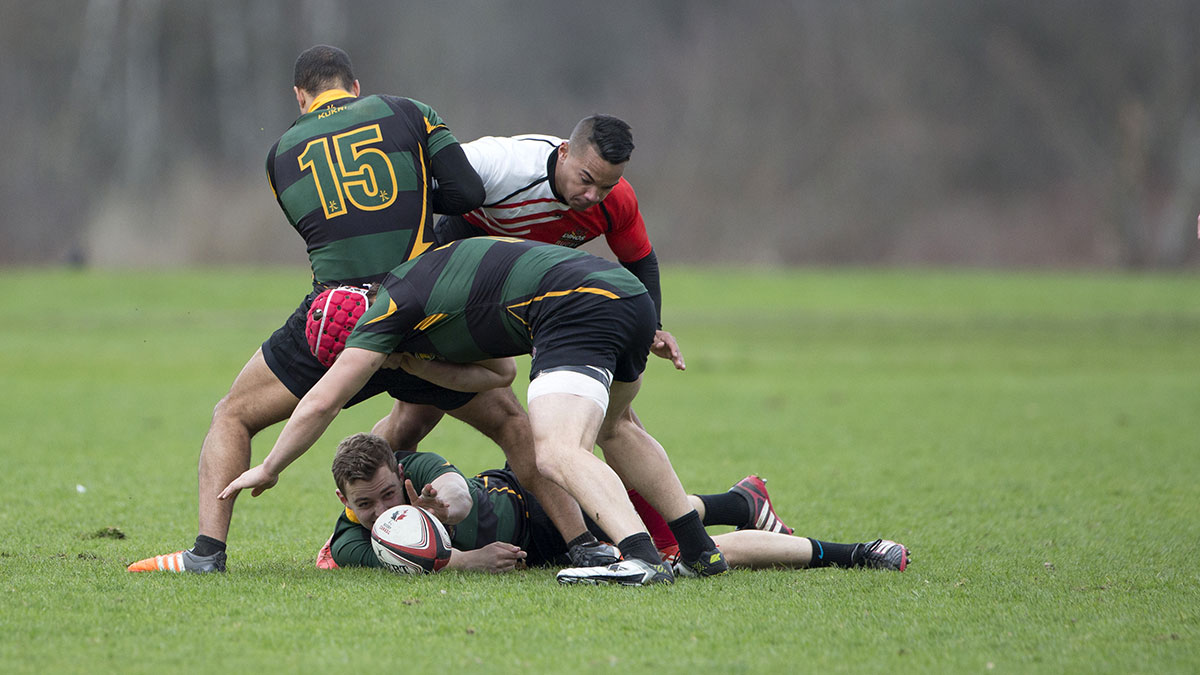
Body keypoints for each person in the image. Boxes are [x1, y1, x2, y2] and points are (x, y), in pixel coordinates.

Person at [127, 45, 591, 574]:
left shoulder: (279, 153)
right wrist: (408, 196)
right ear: (355, 86)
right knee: (511, 423)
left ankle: (208, 551)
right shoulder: (409, 111)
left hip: (337, 325)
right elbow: (466, 192)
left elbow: (320, 230)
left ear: (300, 97)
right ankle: (584, 546)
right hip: (422, 310)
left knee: (232, 415)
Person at [218, 236, 732, 585]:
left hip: (575, 306)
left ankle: (639, 558)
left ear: (362, 334)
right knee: (616, 429)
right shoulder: (421, 291)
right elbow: (500, 374)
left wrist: (269, 466)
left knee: (554, 450)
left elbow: (322, 401)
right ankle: (698, 550)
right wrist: (414, 365)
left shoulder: (387, 313)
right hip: (627, 295)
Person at [373, 116, 683, 453]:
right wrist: (390, 277)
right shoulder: (506, 165)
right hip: (457, 281)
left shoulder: (617, 201)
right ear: (564, 152)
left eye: (606, 186)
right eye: (586, 180)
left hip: (524, 297)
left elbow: (640, 260)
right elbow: (407, 194)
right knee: (422, 416)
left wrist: (656, 326)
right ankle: (362, 492)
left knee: (604, 417)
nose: (594, 195)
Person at [320, 433, 909, 574]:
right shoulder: (349, 539)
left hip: (543, 498)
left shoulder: (416, 470)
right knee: (671, 540)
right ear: (343, 500)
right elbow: (384, 558)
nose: (380, 511)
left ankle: (854, 553)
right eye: (365, 504)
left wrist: (444, 507)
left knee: (682, 548)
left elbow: (449, 486)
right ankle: (743, 500)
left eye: (388, 496)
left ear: (400, 474)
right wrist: (466, 562)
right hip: (553, 546)